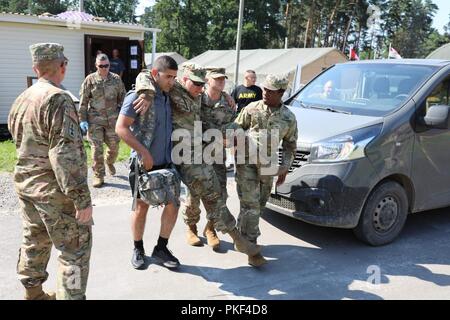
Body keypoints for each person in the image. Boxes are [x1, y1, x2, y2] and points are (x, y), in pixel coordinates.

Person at [134, 63, 261, 259]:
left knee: (215, 193)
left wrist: (227, 96)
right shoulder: (173, 87)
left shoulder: (199, 96)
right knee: (208, 194)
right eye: (195, 83)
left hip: (198, 151)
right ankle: (236, 238)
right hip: (182, 153)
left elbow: (210, 113)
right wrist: (146, 93)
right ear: (183, 79)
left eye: (201, 84)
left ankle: (226, 234)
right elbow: (145, 74)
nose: (198, 88)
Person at [8, 43, 93, 299]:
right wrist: (81, 198)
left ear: (36, 68)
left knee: (35, 239)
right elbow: (65, 154)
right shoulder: (58, 98)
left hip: (27, 186)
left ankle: (33, 293)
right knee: (74, 250)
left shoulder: (22, 98)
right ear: (63, 67)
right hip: (54, 192)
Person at [116, 55, 180, 270]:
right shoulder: (138, 96)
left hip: (167, 162)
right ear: (155, 74)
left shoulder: (165, 95)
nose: (172, 81)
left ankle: (161, 248)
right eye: (168, 76)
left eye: (174, 77)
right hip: (144, 163)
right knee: (141, 207)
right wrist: (144, 152)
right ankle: (138, 248)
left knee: (173, 205)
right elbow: (121, 128)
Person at [234, 74, 298, 267]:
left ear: (281, 93)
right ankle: (252, 249)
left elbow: (290, 145)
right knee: (251, 205)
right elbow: (235, 127)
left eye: (270, 91)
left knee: (259, 205)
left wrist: (284, 168)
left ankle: (241, 235)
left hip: (268, 165)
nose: (265, 93)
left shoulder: (288, 117)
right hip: (247, 162)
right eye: (264, 89)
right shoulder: (252, 108)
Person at [183, 67, 237, 250]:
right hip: (196, 155)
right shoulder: (197, 97)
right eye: (217, 79)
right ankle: (191, 228)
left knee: (220, 193)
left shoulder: (228, 103)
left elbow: (231, 126)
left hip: (217, 157)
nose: (221, 82)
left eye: (223, 79)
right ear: (208, 80)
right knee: (194, 193)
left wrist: (230, 140)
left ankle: (210, 228)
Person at [79, 53, 126, 188]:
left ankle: (109, 161)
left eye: (106, 66)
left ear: (109, 65)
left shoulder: (116, 79)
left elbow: (123, 99)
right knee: (96, 149)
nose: (104, 68)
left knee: (114, 148)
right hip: (95, 120)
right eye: (101, 66)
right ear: (96, 66)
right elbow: (83, 101)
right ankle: (98, 175)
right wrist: (83, 119)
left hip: (113, 120)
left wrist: (126, 118)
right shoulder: (90, 80)